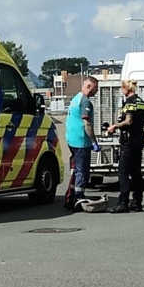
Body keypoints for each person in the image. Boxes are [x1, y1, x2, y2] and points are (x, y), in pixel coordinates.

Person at [106, 79, 144, 213]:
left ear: (126, 89)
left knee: (123, 172)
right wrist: (140, 121)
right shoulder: (141, 102)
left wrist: (115, 126)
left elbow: (128, 120)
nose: (122, 91)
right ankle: (137, 202)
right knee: (136, 172)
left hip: (128, 141)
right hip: (139, 140)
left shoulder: (129, 103)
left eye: (122, 88)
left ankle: (123, 203)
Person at [63, 76, 100, 210]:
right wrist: (94, 142)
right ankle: (78, 198)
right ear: (89, 86)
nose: (97, 91)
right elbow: (87, 123)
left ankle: (71, 196)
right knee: (82, 171)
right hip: (81, 142)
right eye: (96, 88)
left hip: (71, 139)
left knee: (76, 170)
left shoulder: (76, 98)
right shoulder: (85, 102)